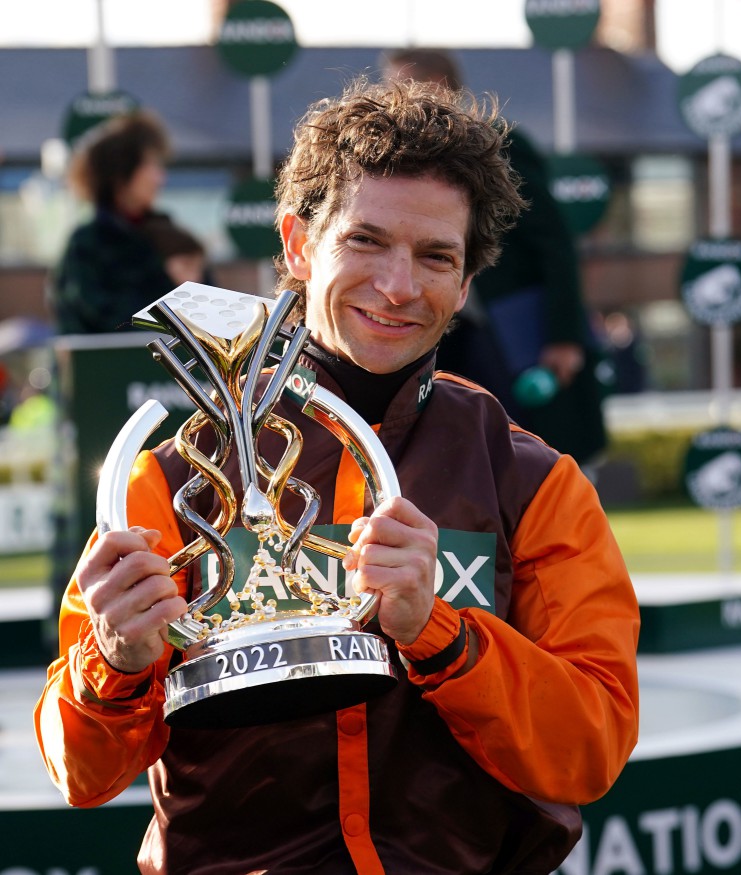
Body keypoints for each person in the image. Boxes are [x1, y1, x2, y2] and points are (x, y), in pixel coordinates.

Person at [35, 78, 639, 875]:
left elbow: (589, 750)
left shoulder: (528, 476)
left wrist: (440, 632)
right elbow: (82, 772)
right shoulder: (178, 472)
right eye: (365, 240)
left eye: (435, 256)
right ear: (295, 244)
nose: (398, 286)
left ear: (464, 285)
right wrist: (111, 659)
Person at [382, 48, 608, 466]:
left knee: (547, 460)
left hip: (523, 335)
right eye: (390, 87)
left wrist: (564, 336)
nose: (395, 98)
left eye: (405, 86)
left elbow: (555, 244)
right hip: (454, 341)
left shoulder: (499, 147)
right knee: (469, 462)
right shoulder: (397, 163)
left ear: (441, 86)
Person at [48, 110, 183, 335]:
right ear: (121, 174)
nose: (161, 178)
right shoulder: (86, 245)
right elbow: (105, 322)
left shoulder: (168, 236)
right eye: (151, 165)